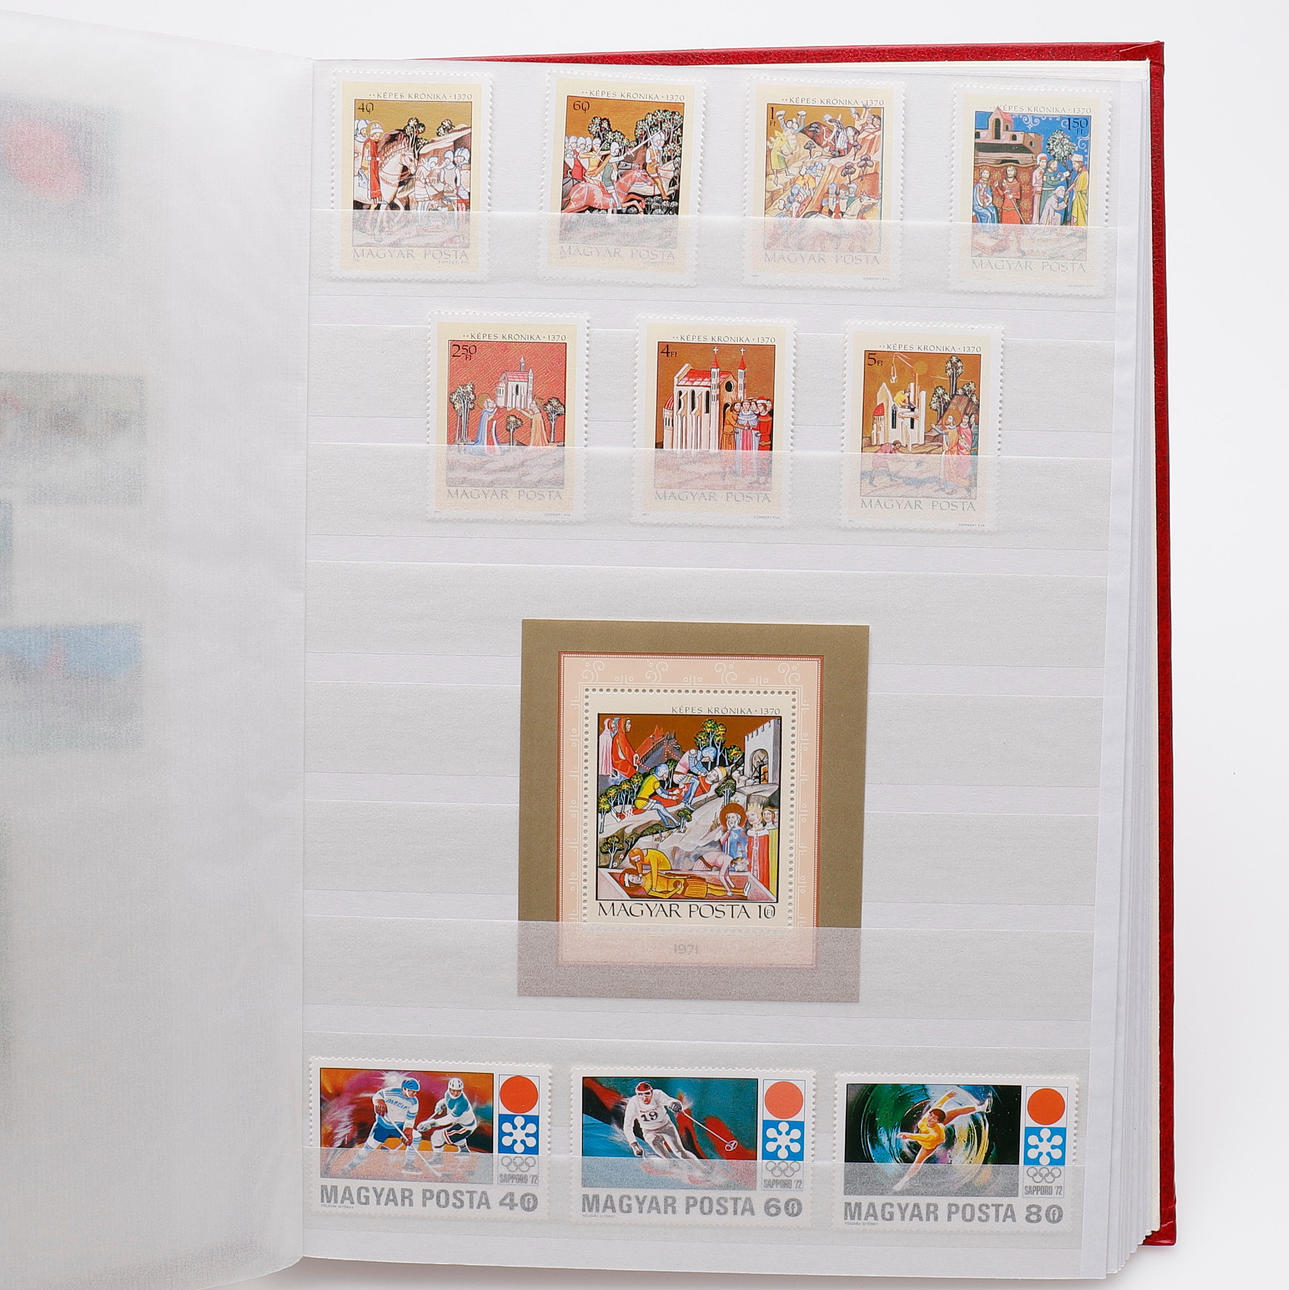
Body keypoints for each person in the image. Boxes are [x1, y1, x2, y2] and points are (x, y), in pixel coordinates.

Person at [892, 1089, 992, 1192]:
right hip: (926, 1135)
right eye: (930, 1115)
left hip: (930, 1144)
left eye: (934, 1118)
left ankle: (982, 1108)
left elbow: (922, 1137)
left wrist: (907, 1136)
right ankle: (903, 1181)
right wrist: (947, 1096)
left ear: (938, 1121)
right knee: (917, 1163)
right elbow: (937, 1106)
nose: (930, 1118)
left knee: (955, 1112)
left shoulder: (935, 1134)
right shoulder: (925, 1120)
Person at [333, 1076, 425, 1176]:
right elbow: (377, 1096)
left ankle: (408, 1165)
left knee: (416, 1136)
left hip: (399, 1126)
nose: (414, 1094)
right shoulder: (390, 1092)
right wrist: (379, 1102)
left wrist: (408, 1131)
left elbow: (410, 1119)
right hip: (383, 1126)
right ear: (404, 1088)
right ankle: (350, 1166)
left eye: (416, 1092)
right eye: (412, 1091)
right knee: (369, 1148)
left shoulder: (414, 1102)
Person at [622, 1082, 699, 1161]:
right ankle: (674, 1166)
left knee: (679, 1152)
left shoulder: (657, 1094)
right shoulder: (633, 1103)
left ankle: (700, 1167)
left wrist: (674, 1104)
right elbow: (627, 1125)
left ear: (651, 1092)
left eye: (647, 1093)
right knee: (665, 1156)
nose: (644, 1098)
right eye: (640, 1094)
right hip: (649, 1132)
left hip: (666, 1127)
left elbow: (669, 1101)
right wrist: (634, 1144)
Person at [417, 1076, 478, 1155]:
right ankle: (464, 1150)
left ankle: (437, 1159)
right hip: (459, 1123)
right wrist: (440, 1105)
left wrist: (431, 1124)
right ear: (449, 1089)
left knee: (437, 1136)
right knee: (454, 1134)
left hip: (466, 1127)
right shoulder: (448, 1093)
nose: (455, 1093)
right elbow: (446, 1100)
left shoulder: (462, 1103)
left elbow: (450, 1118)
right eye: (453, 1090)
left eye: (458, 1091)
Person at [1067, 154, 1089, 227]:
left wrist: (1075, 189)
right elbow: (1075, 183)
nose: (1073, 166)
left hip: (1080, 199)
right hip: (1077, 197)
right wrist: (1068, 190)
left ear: (1079, 164)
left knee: (1080, 213)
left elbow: (1082, 188)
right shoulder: (1080, 173)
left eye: (1074, 164)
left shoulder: (1084, 174)